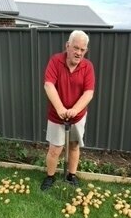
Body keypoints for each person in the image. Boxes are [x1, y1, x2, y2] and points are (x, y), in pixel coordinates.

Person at [40, 30, 95, 191]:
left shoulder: (87, 66)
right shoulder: (55, 61)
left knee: (74, 146)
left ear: (86, 50)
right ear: (67, 46)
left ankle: (71, 175)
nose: (78, 53)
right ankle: (50, 177)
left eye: (82, 49)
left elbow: (88, 92)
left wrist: (74, 110)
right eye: (75, 48)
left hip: (77, 117)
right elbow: (48, 85)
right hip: (57, 116)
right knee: (55, 149)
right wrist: (61, 109)